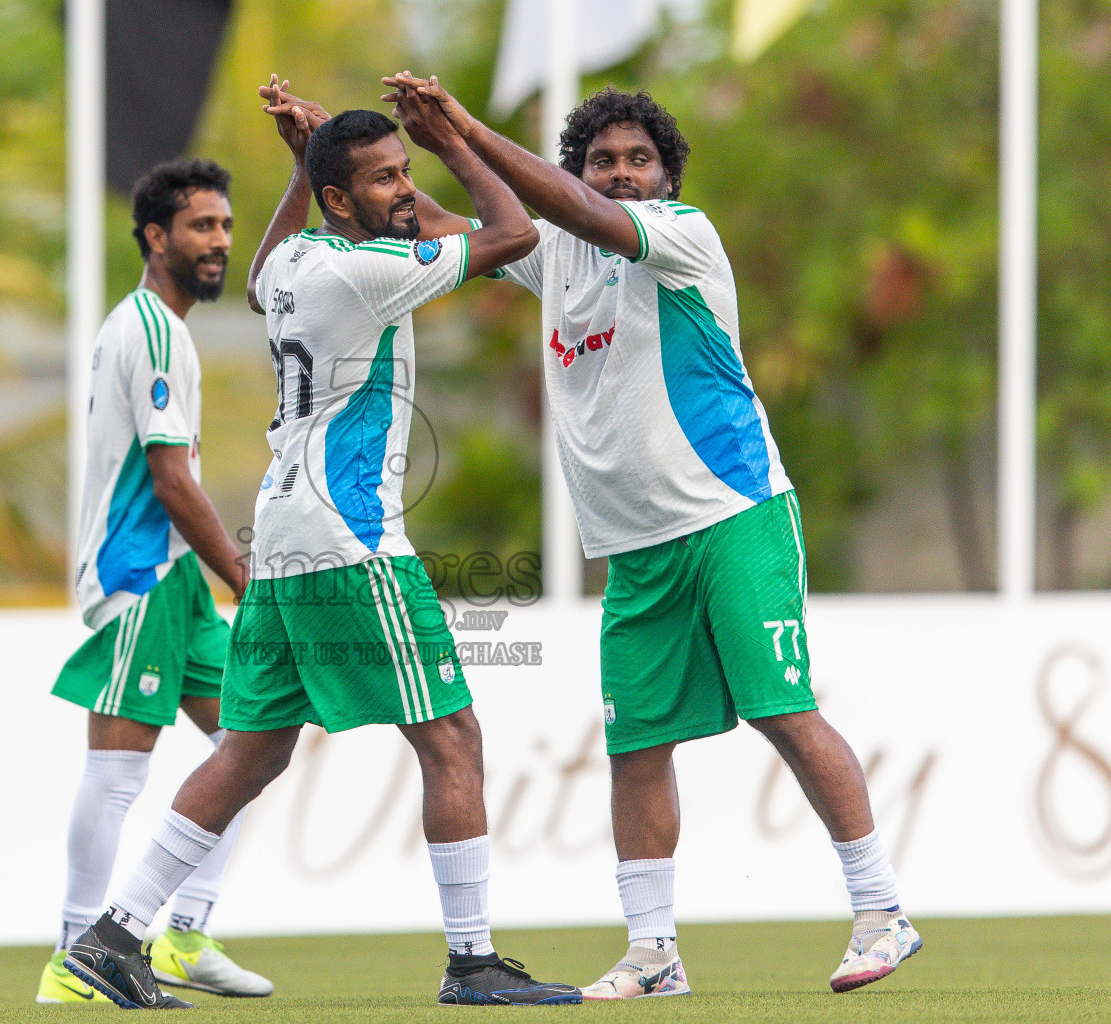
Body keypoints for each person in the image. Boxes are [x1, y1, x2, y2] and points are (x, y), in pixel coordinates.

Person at [377, 74, 923, 999]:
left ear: (668, 177)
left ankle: (882, 912)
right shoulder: (554, 251)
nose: (623, 174)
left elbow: (580, 213)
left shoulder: (682, 235)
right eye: (603, 161)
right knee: (635, 749)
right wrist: (340, 167)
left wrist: (461, 128)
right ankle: (654, 953)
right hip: (636, 548)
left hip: (732, 515)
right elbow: (437, 224)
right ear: (578, 167)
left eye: (640, 161)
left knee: (782, 711)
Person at [61, 77, 580, 1009]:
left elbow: (260, 277)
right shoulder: (362, 269)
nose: (403, 190)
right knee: (452, 736)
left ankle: (111, 937)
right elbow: (515, 235)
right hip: (352, 538)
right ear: (341, 200)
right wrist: (456, 141)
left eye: (405, 172)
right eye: (383, 179)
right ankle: (472, 963)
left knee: (252, 751)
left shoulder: (301, 260)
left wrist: (307, 170)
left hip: (288, 533)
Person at [37, 158, 272, 1004]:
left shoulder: (153, 324)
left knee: (253, 742)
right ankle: (74, 955)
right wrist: (246, 577)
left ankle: (182, 935)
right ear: (155, 236)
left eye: (225, 227)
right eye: (202, 227)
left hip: (171, 577)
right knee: (117, 775)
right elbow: (171, 481)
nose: (218, 243)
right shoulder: (153, 331)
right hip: (137, 574)